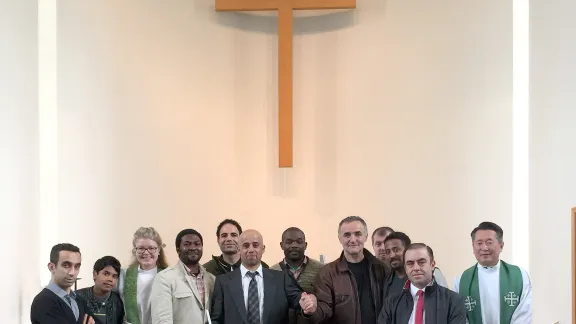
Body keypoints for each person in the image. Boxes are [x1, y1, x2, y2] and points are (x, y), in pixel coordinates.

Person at [210, 229, 317, 324]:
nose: (251, 250)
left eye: (255, 245)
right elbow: (216, 318)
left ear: (263, 249)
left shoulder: (281, 278)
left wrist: (307, 302)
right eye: (246, 245)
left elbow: (298, 298)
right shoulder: (223, 282)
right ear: (238, 249)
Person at [311, 216, 393, 324]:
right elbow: (324, 314)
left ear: (366, 237)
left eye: (358, 234)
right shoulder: (327, 273)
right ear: (340, 238)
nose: (353, 240)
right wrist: (311, 310)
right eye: (347, 235)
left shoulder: (382, 269)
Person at [453, 222, 532, 324]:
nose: (484, 248)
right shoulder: (461, 280)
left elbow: (524, 313)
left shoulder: (520, 276)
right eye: (479, 243)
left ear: (501, 245)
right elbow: (459, 317)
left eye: (489, 242)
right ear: (473, 246)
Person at [377, 243, 466, 324]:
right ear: (405, 268)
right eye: (410, 263)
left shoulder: (453, 301)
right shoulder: (391, 302)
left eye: (421, 262)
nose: (416, 268)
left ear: (432, 265)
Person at [151, 229, 215, 324]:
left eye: (197, 244)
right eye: (187, 244)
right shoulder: (164, 278)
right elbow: (162, 320)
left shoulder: (211, 279)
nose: (193, 248)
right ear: (178, 249)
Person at [31, 243, 95, 324]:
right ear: (52, 267)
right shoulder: (43, 302)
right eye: (66, 265)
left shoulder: (79, 300)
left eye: (76, 266)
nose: (72, 272)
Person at [271, 227, 324, 324]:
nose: (294, 245)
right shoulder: (272, 271)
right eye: (289, 242)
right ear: (281, 245)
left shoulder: (321, 269)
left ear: (305, 245)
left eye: (299, 242)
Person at [118, 227, 169, 324]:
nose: (146, 252)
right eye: (141, 248)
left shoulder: (168, 275)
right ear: (135, 250)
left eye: (151, 248)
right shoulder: (123, 275)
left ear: (159, 250)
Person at [384, 232, 449, 294]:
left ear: (408, 250)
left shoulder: (433, 273)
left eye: (396, 250)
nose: (392, 255)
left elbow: (444, 299)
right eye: (387, 252)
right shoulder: (386, 279)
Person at [204, 219, 268, 276]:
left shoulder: (261, 268)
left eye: (233, 235)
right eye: (224, 235)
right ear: (218, 240)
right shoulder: (207, 270)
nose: (229, 239)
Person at [76, 256, 125, 324]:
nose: (110, 279)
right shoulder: (77, 297)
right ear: (95, 274)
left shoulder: (119, 302)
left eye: (114, 276)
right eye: (106, 274)